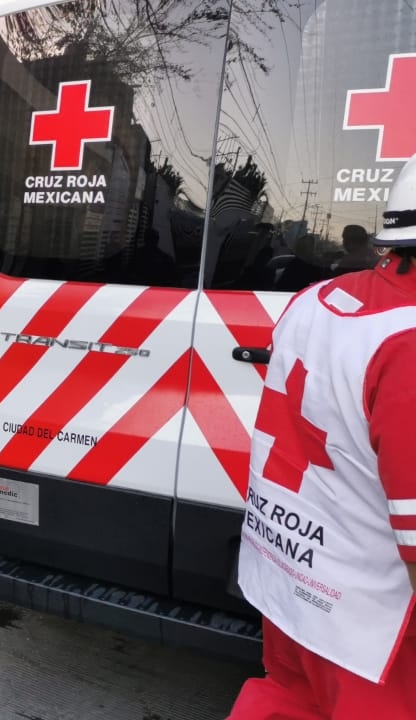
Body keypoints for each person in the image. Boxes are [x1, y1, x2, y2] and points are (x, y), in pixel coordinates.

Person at [226, 154, 416, 719]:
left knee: (286, 700)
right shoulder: (407, 343)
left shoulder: (316, 299)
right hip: (369, 627)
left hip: (292, 580)